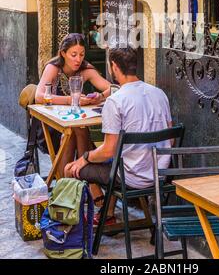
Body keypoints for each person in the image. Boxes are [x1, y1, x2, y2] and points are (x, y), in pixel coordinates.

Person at [64, 45, 173, 225]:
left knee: (71, 168)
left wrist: (84, 157)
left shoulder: (116, 101)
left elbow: (108, 151)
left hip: (131, 178)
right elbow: (170, 139)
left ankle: (70, 230)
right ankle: (107, 214)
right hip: (160, 174)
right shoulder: (159, 93)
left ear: (114, 67)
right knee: (115, 160)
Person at [35, 33, 111, 180]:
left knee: (75, 130)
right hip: (52, 127)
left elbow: (114, 88)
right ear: (63, 53)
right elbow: (39, 96)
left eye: (81, 54)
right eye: (73, 54)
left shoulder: (86, 70)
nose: (78, 59)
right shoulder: (53, 68)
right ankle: (88, 183)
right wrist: (71, 99)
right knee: (73, 132)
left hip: (74, 125)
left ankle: (67, 186)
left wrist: (100, 97)